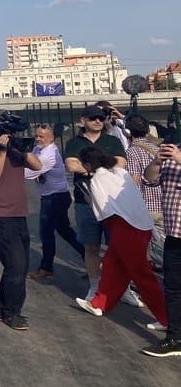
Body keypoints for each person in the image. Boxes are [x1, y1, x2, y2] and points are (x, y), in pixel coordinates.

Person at [73, 147, 168, 330]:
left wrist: (89, 200)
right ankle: (98, 304)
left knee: (141, 274)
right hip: (140, 224)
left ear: (87, 164)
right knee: (112, 264)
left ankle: (166, 319)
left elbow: (102, 210)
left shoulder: (97, 179)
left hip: (125, 228)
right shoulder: (120, 172)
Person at [0, 112, 41, 331]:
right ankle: (12, 313)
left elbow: (37, 166)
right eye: (6, 132)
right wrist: (2, 151)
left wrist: (22, 148)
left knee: (19, 266)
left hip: (18, 213)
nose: (9, 136)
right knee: (16, 265)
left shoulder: (15, 149)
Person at [64, 104, 137, 305]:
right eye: (94, 117)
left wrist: (88, 170)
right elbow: (71, 164)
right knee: (91, 247)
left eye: (102, 117)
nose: (98, 121)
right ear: (83, 120)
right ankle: (95, 287)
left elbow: (120, 165)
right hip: (85, 202)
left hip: (113, 203)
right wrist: (103, 169)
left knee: (119, 247)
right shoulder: (74, 143)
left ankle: (124, 288)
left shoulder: (112, 141)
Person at [24, 123, 84, 279]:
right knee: (66, 232)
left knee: (46, 233)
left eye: (41, 136)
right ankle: (93, 261)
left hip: (55, 198)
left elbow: (30, 171)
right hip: (53, 196)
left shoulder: (50, 154)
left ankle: (46, 268)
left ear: (51, 139)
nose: (37, 139)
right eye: (36, 135)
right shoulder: (38, 149)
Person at [141, 140, 181, 357]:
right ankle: (175, 338)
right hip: (174, 231)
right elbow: (149, 179)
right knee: (173, 287)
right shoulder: (173, 148)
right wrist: (157, 161)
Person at [125, 114, 164, 270]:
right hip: (162, 205)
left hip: (144, 206)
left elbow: (134, 180)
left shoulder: (132, 152)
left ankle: (146, 284)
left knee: (143, 251)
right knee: (164, 248)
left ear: (128, 132)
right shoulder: (157, 149)